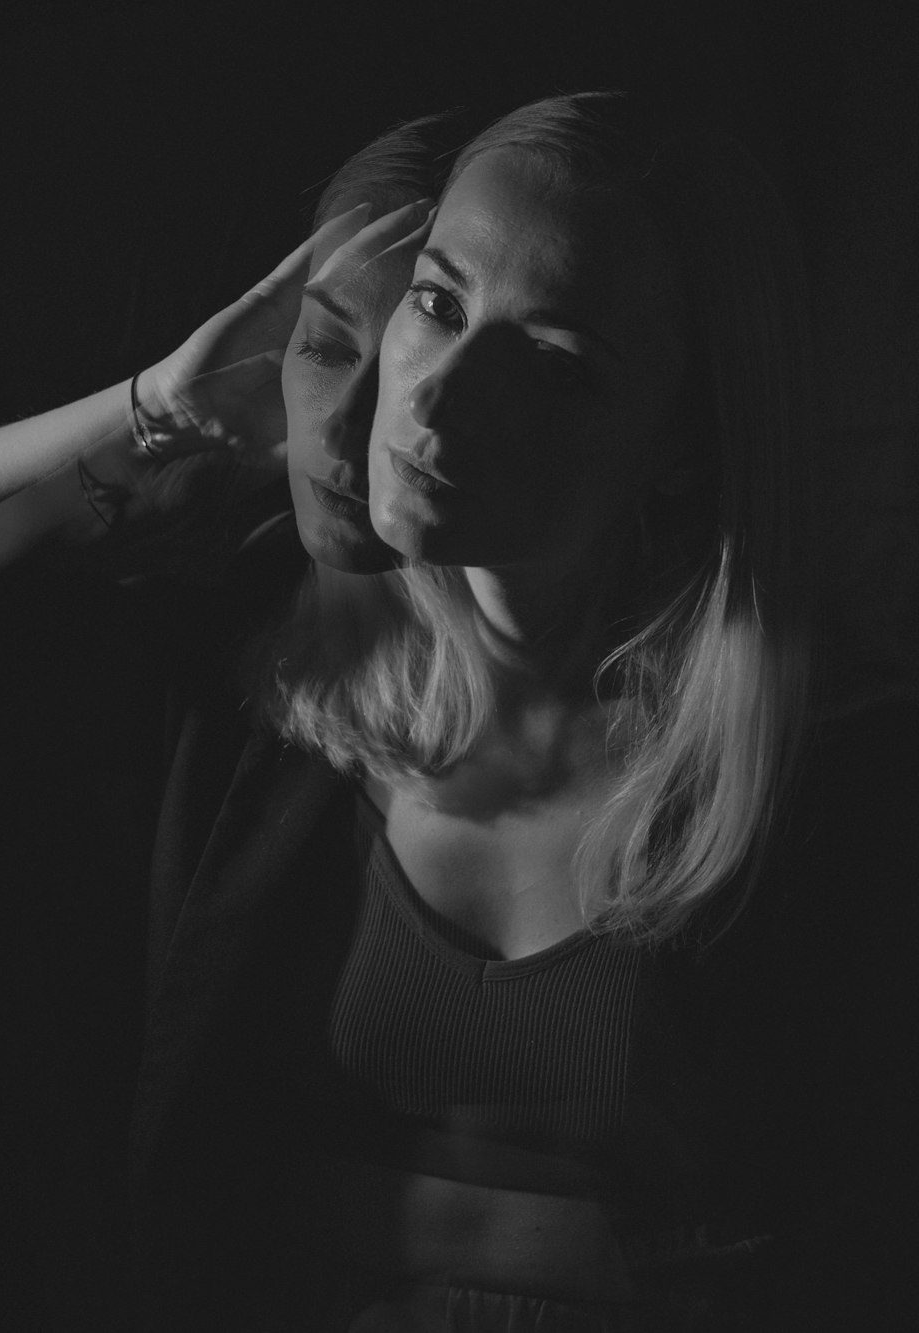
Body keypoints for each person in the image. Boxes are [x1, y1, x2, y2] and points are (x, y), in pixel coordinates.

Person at [132, 92, 914, 1332]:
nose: (437, 398)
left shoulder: (832, 785)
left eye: (553, 362)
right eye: (436, 306)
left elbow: (845, 1242)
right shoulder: (274, 683)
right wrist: (153, 406)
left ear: (684, 439)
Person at [0, 116, 463, 1330]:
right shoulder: (194, 649)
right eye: (323, 348)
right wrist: (158, 407)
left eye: (415, 363)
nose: (351, 421)